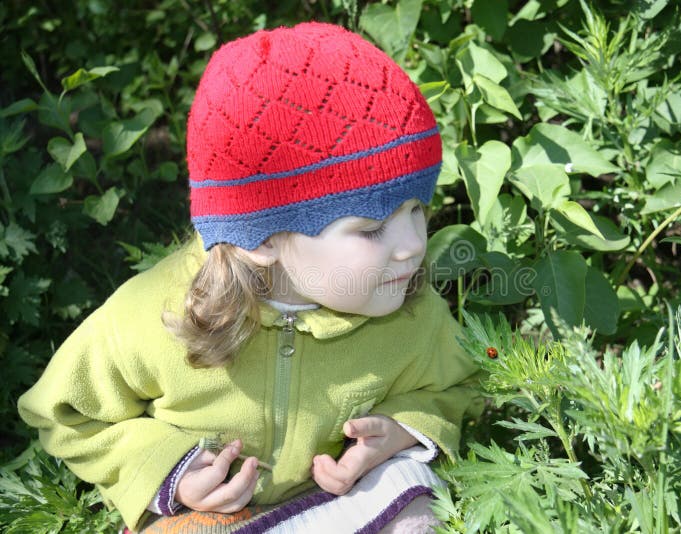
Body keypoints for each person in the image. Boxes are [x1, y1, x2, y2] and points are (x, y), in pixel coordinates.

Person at [18, 22, 479, 533]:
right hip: (213, 517)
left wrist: (402, 431)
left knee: (417, 510)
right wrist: (168, 471)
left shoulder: (408, 308)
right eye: (372, 229)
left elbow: (460, 383)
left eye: (417, 208)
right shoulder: (156, 315)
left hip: (343, 506)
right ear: (259, 240)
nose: (414, 244)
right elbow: (61, 411)